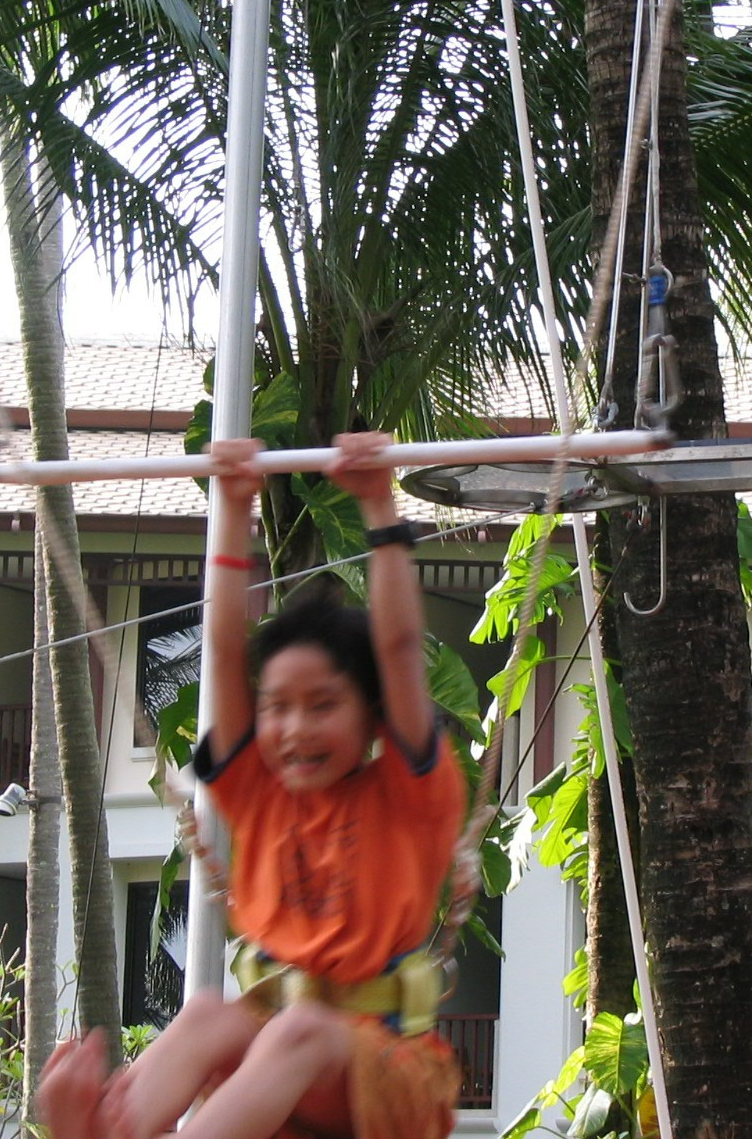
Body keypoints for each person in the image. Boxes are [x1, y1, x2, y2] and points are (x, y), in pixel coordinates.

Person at [37, 432, 465, 1139]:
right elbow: (224, 644)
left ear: (372, 716)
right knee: (208, 1013)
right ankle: (104, 1130)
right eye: (276, 708)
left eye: (323, 706)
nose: (295, 729)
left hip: (388, 1073)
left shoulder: (407, 796)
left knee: (297, 1029)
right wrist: (233, 508)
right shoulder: (258, 794)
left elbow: (396, 650)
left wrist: (379, 504)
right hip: (276, 1055)